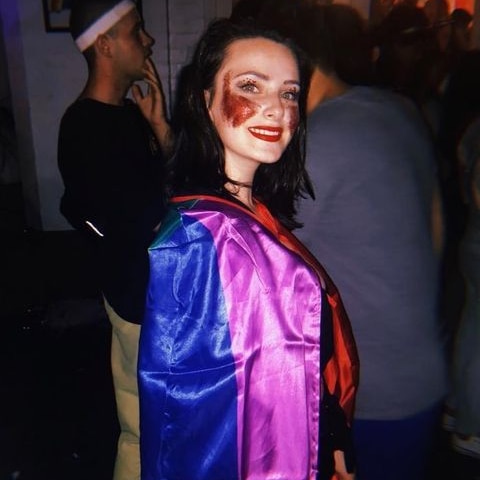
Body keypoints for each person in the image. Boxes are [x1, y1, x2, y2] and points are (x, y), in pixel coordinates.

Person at [138, 17, 359, 480]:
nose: (276, 109)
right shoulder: (198, 240)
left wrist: (331, 438)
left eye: (289, 93)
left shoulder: (252, 212)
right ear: (207, 100)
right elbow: (191, 419)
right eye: (251, 87)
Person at [233, 2, 447, 479]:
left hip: (368, 395)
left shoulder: (314, 146)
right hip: (422, 372)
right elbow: (436, 233)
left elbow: (255, 277)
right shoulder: (400, 110)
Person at [57, 1, 170, 478]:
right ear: (105, 45)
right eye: (135, 30)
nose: (147, 41)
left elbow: (162, 201)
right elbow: (98, 215)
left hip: (156, 292)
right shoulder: (83, 126)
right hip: (135, 298)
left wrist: (160, 130)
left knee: (157, 422)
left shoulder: (129, 116)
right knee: (142, 427)